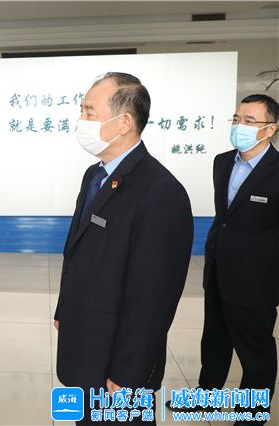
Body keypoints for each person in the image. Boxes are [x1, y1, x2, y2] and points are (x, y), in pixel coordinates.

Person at [53, 72, 194, 424]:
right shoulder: (95, 175)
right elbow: (78, 251)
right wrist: (64, 308)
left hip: (119, 364)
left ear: (124, 123)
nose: (81, 120)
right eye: (81, 111)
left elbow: (154, 296)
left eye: (90, 112)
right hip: (87, 343)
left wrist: (128, 372)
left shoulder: (160, 191)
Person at [166, 94, 279, 424]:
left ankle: (251, 416)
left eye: (249, 121)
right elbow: (225, 218)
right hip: (218, 269)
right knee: (214, 343)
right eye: (236, 119)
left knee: (255, 353)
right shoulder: (222, 162)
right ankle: (205, 399)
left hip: (256, 280)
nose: (239, 126)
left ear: (270, 129)